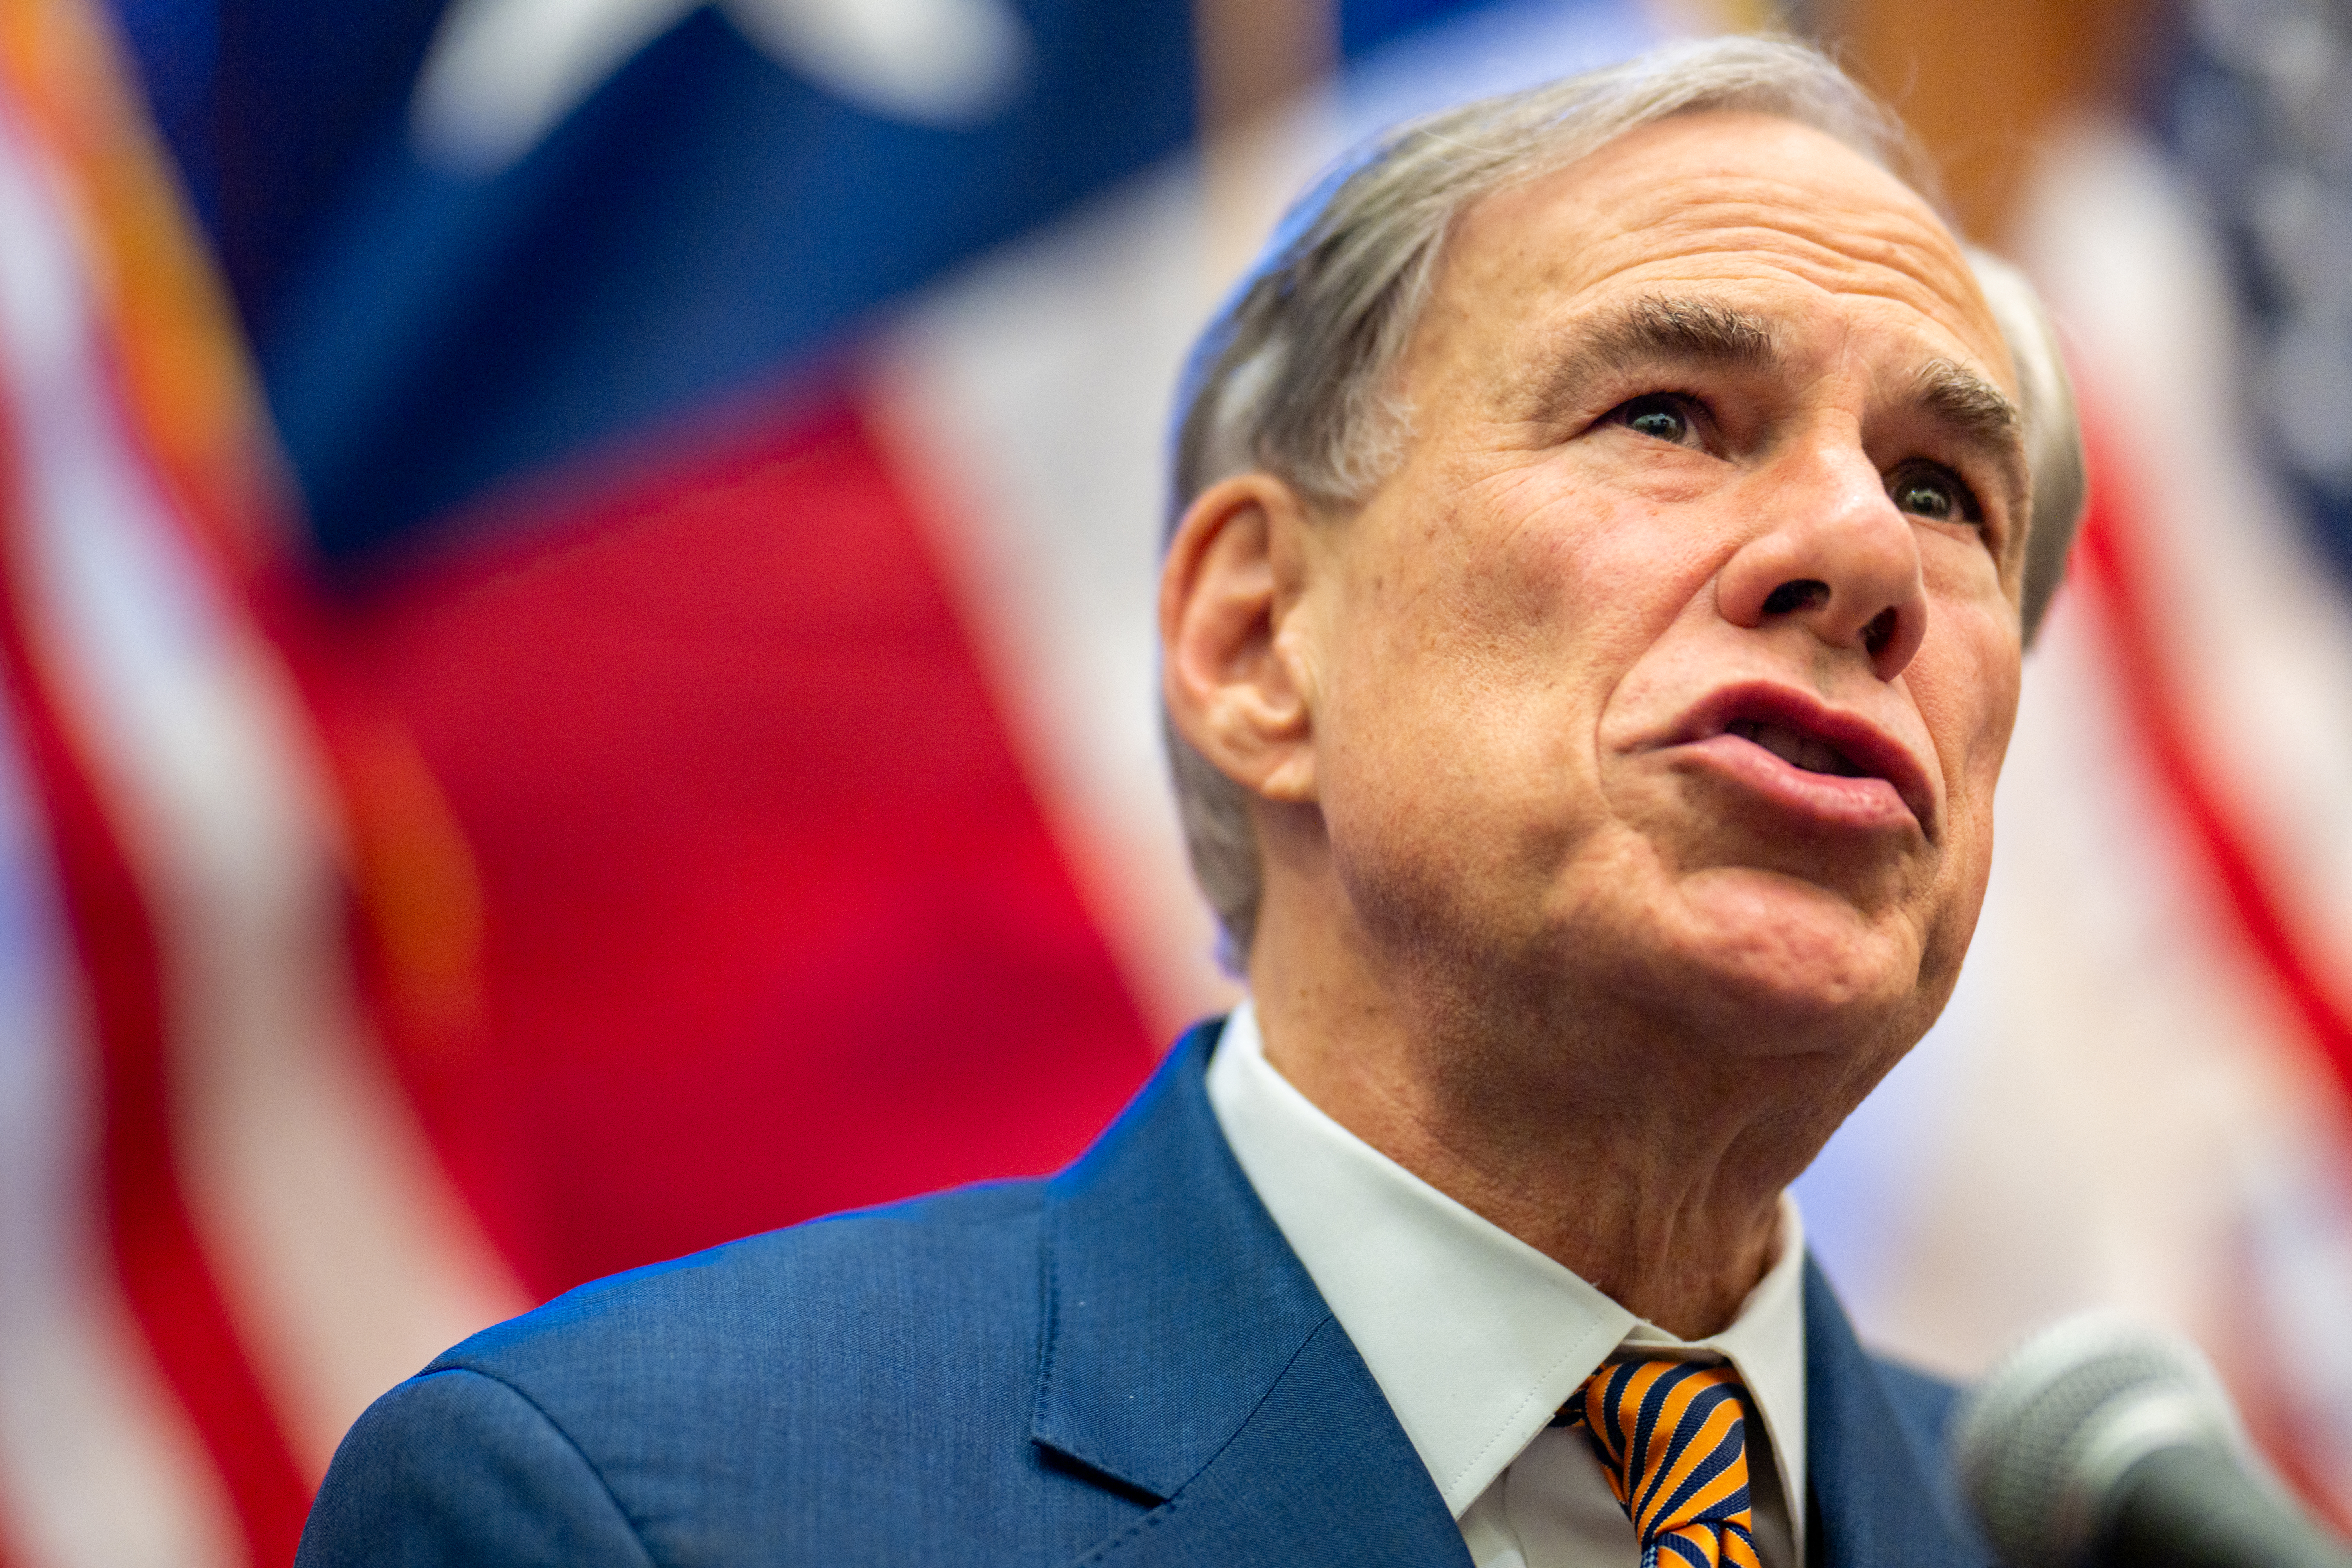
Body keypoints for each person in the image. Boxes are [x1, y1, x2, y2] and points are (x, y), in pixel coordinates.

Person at [296, 34, 2083, 1568]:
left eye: (1944, 490)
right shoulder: (638, 1507)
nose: (1864, 553)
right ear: (1256, 637)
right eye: (1672, 417)